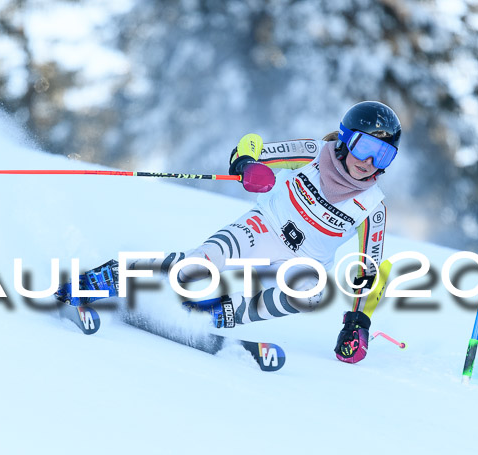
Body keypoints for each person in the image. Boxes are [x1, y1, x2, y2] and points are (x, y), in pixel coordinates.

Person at [55, 101, 402, 364]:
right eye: (365, 147)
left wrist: (358, 322)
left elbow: (368, 271)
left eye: (383, 154)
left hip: (303, 263)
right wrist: (247, 166)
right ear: (345, 140)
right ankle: (120, 274)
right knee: (198, 268)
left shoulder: (373, 207)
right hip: (264, 228)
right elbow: (250, 147)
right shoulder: (313, 153)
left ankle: (222, 313)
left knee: (309, 295)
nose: (370, 162)